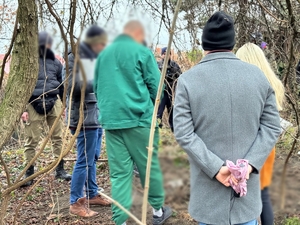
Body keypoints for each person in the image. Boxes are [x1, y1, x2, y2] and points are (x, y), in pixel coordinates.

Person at [173, 11, 281, 225]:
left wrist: (216, 168)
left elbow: (184, 133)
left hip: (208, 195)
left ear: (204, 44)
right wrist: (248, 165)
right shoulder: (258, 77)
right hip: (246, 194)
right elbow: (272, 126)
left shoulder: (187, 81)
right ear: (232, 42)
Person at [94, 20, 172, 225]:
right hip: (139, 121)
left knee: (119, 174)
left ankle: (120, 220)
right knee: (149, 166)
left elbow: (97, 86)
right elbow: (158, 88)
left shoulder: (103, 55)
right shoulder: (141, 52)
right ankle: (157, 211)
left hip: (112, 123)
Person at [236, 43, 285, 225]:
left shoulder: (241, 85)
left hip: (247, 147)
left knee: (244, 194)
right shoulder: (271, 83)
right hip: (267, 146)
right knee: (263, 194)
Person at [66, 25, 111, 217]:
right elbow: (72, 87)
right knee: (84, 160)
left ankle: (92, 194)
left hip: (96, 116)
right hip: (83, 118)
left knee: (92, 158)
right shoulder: (74, 57)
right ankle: (76, 202)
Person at [21, 31, 71, 187]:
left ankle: (60, 170)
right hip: (33, 102)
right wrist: (22, 109)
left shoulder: (56, 63)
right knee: (32, 140)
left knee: (58, 138)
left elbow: (62, 85)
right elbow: (21, 87)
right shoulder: (28, 62)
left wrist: (64, 105)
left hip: (53, 101)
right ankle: (28, 173)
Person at [157, 47, 181, 131]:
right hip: (162, 92)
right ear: (162, 55)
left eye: (168, 54)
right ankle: (158, 128)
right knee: (159, 111)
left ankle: (173, 129)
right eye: (164, 54)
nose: (166, 56)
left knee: (171, 111)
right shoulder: (158, 65)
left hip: (171, 92)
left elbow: (180, 77)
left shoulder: (174, 65)